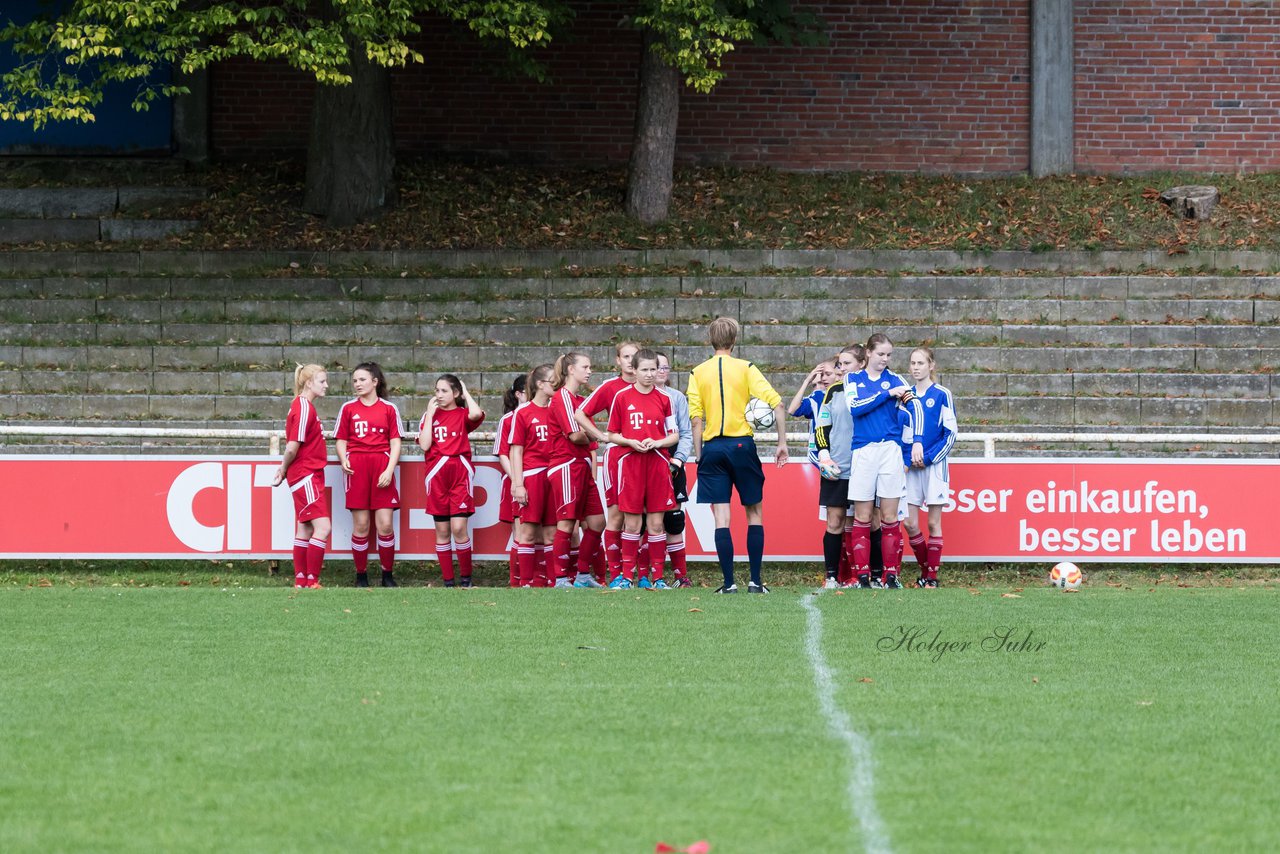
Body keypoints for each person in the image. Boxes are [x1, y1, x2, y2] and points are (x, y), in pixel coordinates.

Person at [686, 317, 788, 594]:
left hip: (713, 448)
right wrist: (782, 443)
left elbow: (696, 419)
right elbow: (778, 404)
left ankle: (729, 584)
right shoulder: (746, 368)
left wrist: (698, 454)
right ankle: (755, 582)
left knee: (721, 517)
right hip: (742, 445)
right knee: (754, 512)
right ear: (734, 339)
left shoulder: (697, 372)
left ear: (710, 339)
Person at [845, 334, 923, 590]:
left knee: (890, 517)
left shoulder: (898, 380)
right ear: (867, 353)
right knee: (863, 516)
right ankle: (863, 577)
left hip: (890, 450)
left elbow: (915, 410)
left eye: (889, 355)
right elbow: (856, 407)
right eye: (880, 354)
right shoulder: (853, 379)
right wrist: (887, 393)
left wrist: (916, 442)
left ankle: (891, 575)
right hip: (863, 451)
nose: (885, 359)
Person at [605, 349, 679, 589]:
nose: (649, 374)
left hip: (657, 464)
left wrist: (657, 442)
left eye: (653, 369)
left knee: (656, 524)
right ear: (634, 370)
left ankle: (657, 578)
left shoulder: (665, 399)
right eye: (644, 369)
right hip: (631, 463)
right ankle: (627, 577)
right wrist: (629, 441)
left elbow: (674, 434)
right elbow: (612, 434)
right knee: (632, 523)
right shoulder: (622, 397)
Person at [573, 341, 639, 583]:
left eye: (635, 355)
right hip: (619, 457)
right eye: (626, 356)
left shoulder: (650, 385)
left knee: (641, 517)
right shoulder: (611, 386)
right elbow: (581, 413)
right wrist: (601, 436)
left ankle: (638, 574)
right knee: (617, 515)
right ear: (618, 361)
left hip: (645, 456)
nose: (631, 360)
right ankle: (617, 574)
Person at [335, 362, 404, 588]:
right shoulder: (348, 409)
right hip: (357, 468)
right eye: (354, 381)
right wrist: (343, 458)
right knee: (361, 525)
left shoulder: (389, 408)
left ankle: (387, 575)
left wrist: (389, 469)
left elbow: (395, 443)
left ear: (375, 382)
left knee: (385, 525)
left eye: (362, 380)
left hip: (381, 466)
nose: (357, 384)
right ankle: (361, 575)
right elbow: (341, 440)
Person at [418, 374, 485, 587]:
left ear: (455, 393)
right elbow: (425, 445)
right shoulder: (429, 416)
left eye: (444, 391)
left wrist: (465, 391)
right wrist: (429, 414)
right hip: (436, 476)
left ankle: (466, 579)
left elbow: (475, 414)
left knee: (458, 528)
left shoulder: (462, 414)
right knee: (443, 531)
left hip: (459, 474)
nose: (439, 395)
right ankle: (448, 581)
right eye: (436, 390)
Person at [548, 352, 607, 588]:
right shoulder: (562, 396)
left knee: (597, 522)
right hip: (566, 466)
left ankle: (582, 575)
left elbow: (586, 437)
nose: (589, 371)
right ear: (571, 369)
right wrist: (600, 436)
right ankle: (561, 578)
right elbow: (576, 436)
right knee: (567, 522)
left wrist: (593, 437)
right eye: (585, 366)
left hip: (582, 466)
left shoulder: (578, 400)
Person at [901, 347, 957, 588]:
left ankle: (930, 579)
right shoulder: (904, 395)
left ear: (931, 365)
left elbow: (950, 433)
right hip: (910, 468)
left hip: (933, 466)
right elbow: (901, 432)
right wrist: (907, 458)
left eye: (921, 363)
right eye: (913, 363)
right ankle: (927, 570)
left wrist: (929, 457)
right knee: (910, 523)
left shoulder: (943, 394)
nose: (916, 367)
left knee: (933, 524)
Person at [272, 364, 330, 589]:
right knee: (323, 528)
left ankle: (301, 581)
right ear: (309, 383)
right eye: (322, 381)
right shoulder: (304, 407)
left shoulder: (299, 405)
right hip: (306, 473)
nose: (326, 385)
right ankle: (312, 580)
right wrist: (283, 468)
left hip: (305, 473)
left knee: (305, 528)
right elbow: (292, 447)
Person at [815, 346, 864, 588]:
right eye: (840, 364)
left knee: (866, 522)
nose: (841, 369)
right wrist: (824, 454)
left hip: (864, 467)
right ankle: (832, 576)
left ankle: (865, 576)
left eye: (846, 363)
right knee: (834, 522)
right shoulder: (833, 390)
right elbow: (821, 426)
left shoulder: (870, 390)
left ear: (861, 364)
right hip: (838, 467)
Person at [510, 363, 558, 587]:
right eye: (552, 381)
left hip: (553, 476)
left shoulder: (557, 409)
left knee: (551, 534)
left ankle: (552, 582)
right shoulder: (523, 412)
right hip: (533, 476)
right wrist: (518, 484)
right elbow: (516, 450)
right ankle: (525, 582)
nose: (557, 385)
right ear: (540, 384)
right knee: (528, 532)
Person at [655, 351, 694, 588]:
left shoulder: (677, 397)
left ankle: (680, 575)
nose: (660, 371)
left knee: (674, 519)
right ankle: (649, 575)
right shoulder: (634, 396)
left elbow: (686, 433)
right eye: (656, 367)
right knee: (647, 521)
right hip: (646, 467)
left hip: (672, 467)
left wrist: (677, 460)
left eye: (665, 368)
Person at [493, 375, 527, 587]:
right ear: (518, 394)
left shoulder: (544, 414)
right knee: (520, 532)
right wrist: (517, 479)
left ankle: (537, 579)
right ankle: (516, 582)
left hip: (537, 479)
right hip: (517, 482)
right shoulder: (508, 419)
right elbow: (503, 453)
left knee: (539, 532)